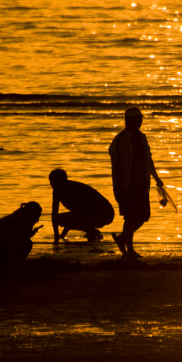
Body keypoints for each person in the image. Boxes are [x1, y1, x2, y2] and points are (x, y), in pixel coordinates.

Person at [109, 107, 164, 259]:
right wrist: (119, 188)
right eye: (136, 119)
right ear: (127, 121)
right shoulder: (120, 139)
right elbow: (117, 166)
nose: (139, 122)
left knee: (143, 216)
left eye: (140, 119)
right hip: (127, 185)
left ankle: (122, 238)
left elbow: (148, 160)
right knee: (131, 217)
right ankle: (129, 250)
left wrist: (157, 178)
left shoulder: (142, 137)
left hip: (142, 183)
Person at [0, 201, 42, 279]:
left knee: (27, 243)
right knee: (4, 247)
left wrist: (27, 235)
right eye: (36, 217)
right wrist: (19, 271)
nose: (37, 220)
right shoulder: (13, 223)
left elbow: (17, 240)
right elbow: (10, 245)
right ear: (29, 215)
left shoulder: (20, 220)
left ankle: (5, 268)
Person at [49, 168, 115, 243]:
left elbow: (75, 215)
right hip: (100, 214)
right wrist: (60, 236)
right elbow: (72, 216)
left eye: (52, 181)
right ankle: (92, 232)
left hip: (104, 214)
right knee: (60, 218)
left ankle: (92, 232)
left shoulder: (72, 189)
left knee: (59, 219)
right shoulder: (59, 190)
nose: (50, 184)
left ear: (59, 181)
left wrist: (57, 237)